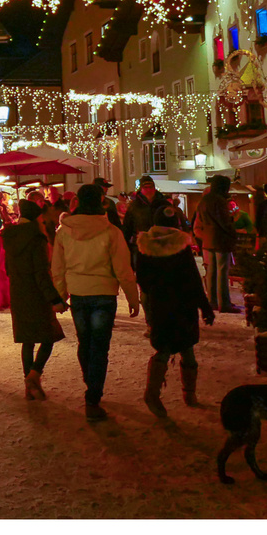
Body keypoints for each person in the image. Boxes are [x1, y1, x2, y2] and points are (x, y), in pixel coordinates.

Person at [51, 183, 140, 421]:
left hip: (78, 293)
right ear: (101, 202)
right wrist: (133, 297)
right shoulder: (111, 231)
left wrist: (60, 295)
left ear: (78, 202)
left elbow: (57, 268)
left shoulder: (63, 231)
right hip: (103, 293)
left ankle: (90, 382)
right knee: (99, 347)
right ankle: (93, 395)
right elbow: (123, 269)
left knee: (85, 342)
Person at [135, 214, 215, 416]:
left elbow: (142, 280)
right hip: (183, 306)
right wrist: (204, 307)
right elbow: (193, 280)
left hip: (160, 305)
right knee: (186, 350)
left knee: (165, 348)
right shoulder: (181, 247)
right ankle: (188, 394)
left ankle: (153, 394)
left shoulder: (145, 247)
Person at [6, 199, 68, 399]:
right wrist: (54, 299)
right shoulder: (36, 239)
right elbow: (41, 273)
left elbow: (9, 269)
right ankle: (34, 375)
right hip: (36, 295)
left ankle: (29, 385)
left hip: (18, 292)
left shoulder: (11, 237)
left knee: (28, 340)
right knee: (49, 336)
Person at [193, 175, 240, 313]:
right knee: (222, 272)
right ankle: (224, 303)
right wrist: (232, 232)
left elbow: (200, 219)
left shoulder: (204, 200)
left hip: (207, 239)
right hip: (220, 239)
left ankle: (212, 301)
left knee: (211, 272)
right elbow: (224, 222)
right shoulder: (219, 201)